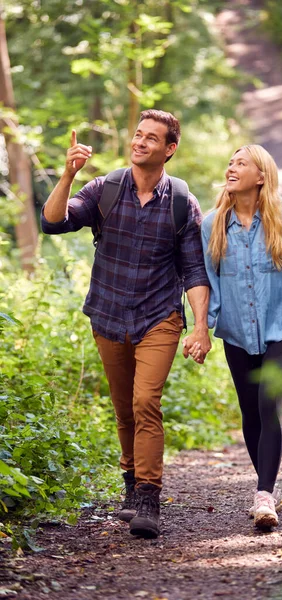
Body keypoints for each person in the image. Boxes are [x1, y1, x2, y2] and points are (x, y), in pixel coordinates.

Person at [41, 109, 211, 539]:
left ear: (169, 150)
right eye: (138, 135)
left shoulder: (180, 203)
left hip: (159, 317)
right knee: (123, 410)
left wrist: (200, 327)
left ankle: (149, 500)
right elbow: (53, 222)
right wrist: (67, 174)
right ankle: (131, 489)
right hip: (109, 314)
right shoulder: (104, 189)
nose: (140, 142)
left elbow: (193, 270)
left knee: (145, 402)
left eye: (151, 138)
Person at [192, 144, 282, 530]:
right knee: (250, 411)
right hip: (236, 331)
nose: (231, 168)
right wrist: (202, 329)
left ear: (261, 175)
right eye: (230, 162)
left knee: (269, 404)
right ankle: (266, 486)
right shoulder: (212, 224)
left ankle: (264, 494)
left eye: (241, 163)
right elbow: (209, 282)